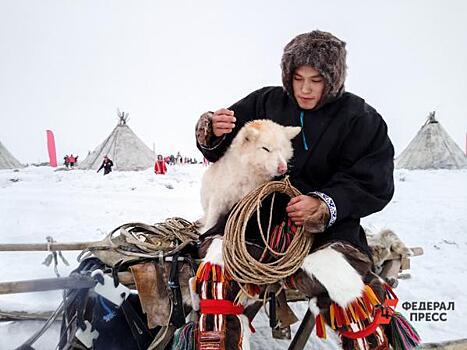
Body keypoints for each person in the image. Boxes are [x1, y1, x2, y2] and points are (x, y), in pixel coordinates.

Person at [195, 30, 395, 337]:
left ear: (334, 79)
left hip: (329, 231)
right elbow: (227, 144)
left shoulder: (360, 118)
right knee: (217, 277)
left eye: (316, 80)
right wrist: (213, 127)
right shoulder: (266, 101)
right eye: (298, 78)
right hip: (255, 220)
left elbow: (374, 179)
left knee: (352, 295)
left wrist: (325, 203)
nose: (304, 89)